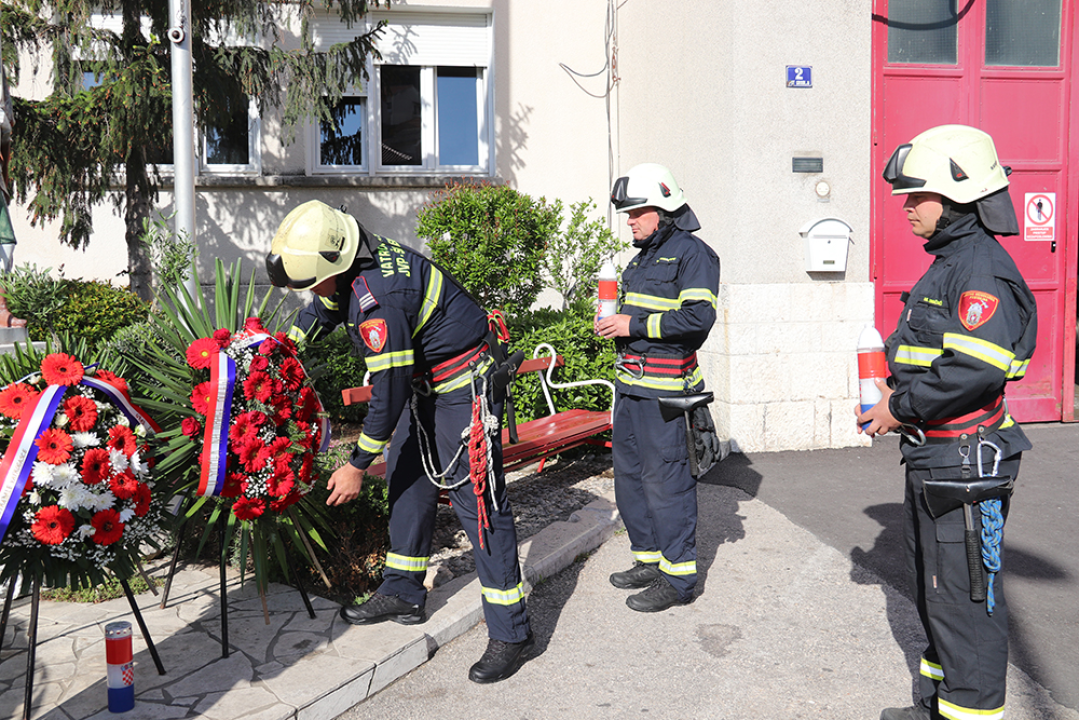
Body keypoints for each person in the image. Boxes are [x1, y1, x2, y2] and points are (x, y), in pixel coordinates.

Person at [266, 200, 534, 684]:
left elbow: (386, 396)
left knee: (480, 507)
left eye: (312, 281)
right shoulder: (350, 263)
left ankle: (513, 631)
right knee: (407, 483)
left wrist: (355, 463)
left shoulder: (379, 299)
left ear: (336, 262)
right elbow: (323, 307)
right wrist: (281, 347)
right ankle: (404, 591)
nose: (314, 292)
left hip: (462, 393)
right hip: (427, 390)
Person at [859, 125, 1037, 720]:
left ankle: (969, 710)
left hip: (963, 459)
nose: (907, 208)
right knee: (937, 590)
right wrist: (892, 381)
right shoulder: (950, 262)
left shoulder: (978, 269)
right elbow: (930, 350)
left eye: (917, 196)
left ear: (958, 196)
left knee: (965, 599)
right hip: (937, 457)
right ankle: (942, 703)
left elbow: (973, 372)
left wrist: (897, 407)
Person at [595, 163, 719, 612]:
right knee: (630, 480)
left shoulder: (693, 254)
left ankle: (679, 577)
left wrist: (635, 322)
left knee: (666, 482)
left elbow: (698, 320)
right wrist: (613, 325)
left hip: (668, 393)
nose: (628, 220)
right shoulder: (640, 259)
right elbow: (633, 321)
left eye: (636, 212)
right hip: (630, 389)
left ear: (663, 209)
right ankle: (648, 559)